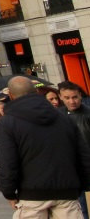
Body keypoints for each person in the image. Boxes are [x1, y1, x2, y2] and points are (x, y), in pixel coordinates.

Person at [0, 75, 90, 217]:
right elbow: (83, 155)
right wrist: (83, 184)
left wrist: (8, 192)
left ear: (10, 95)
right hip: (66, 191)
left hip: (32, 194)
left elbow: (7, 161)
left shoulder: (7, 123)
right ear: (35, 91)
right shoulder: (64, 119)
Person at [58, 81, 90, 216]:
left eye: (75, 97)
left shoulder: (88, 114)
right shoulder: (57, 116)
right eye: (67, 98)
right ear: (60, 97)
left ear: (80, 96)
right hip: (69, 169)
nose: (72, 101)